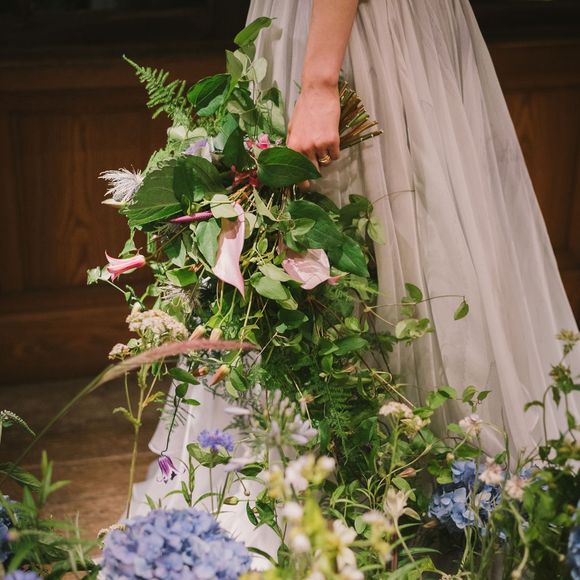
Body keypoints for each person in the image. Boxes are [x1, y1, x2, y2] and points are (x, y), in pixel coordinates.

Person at [132, 0, 579, 567]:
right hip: (357, 27)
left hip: (357, 38)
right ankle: (384, 501)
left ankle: (405, 502)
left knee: (377, 246)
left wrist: (321, 81)